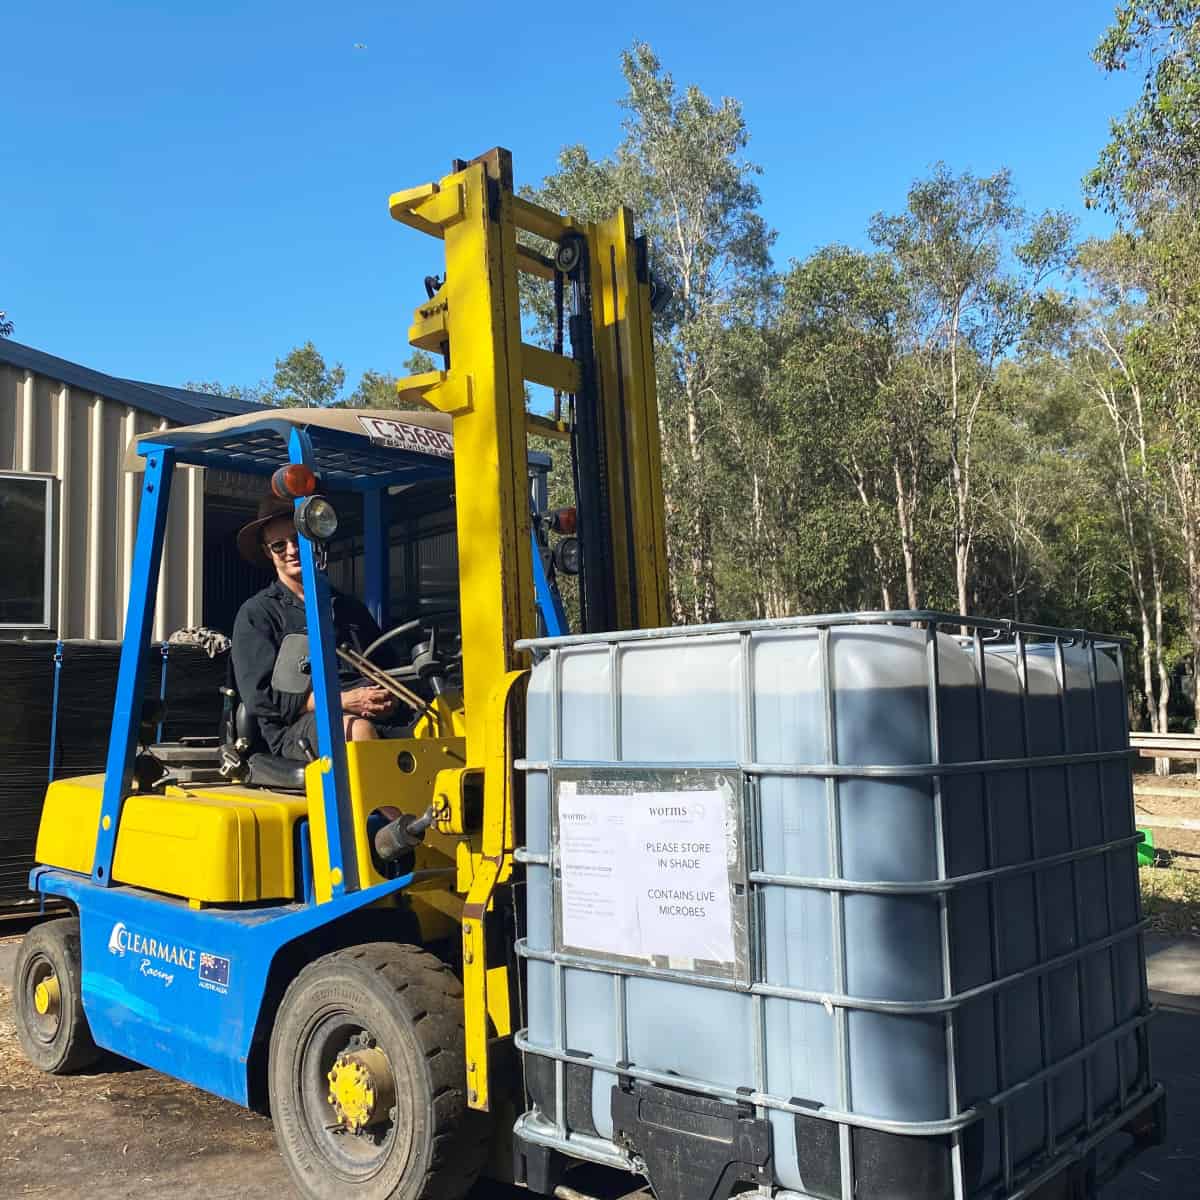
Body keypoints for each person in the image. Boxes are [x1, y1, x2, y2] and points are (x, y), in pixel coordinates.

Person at [231, 496, 399, 761]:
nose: (291, 550)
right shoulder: (258, 614)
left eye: (298, 539)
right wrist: (343, 701)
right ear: (267, 552)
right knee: (356, 731)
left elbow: (388, 665)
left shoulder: (349, 608)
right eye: (279, 545)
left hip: (372, 713)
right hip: (297, 727)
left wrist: (390, 698)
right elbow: (262, 700)